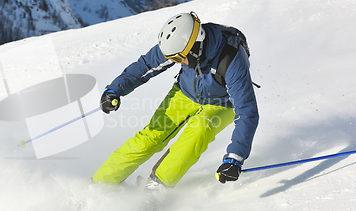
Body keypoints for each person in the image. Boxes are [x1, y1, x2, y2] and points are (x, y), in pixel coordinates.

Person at [92, 12, 259, 188]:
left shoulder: (232, 59)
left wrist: (235, 158)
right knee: (149, 137)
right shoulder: (180, 43)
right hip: (185, 93)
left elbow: (247, 110)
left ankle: (156, 188)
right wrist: (115, 89)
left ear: (197, 47)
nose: (178, 62)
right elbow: (145, 65)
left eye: (179, 58)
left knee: (196, 134)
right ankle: (100, 184)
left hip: (221, 103)